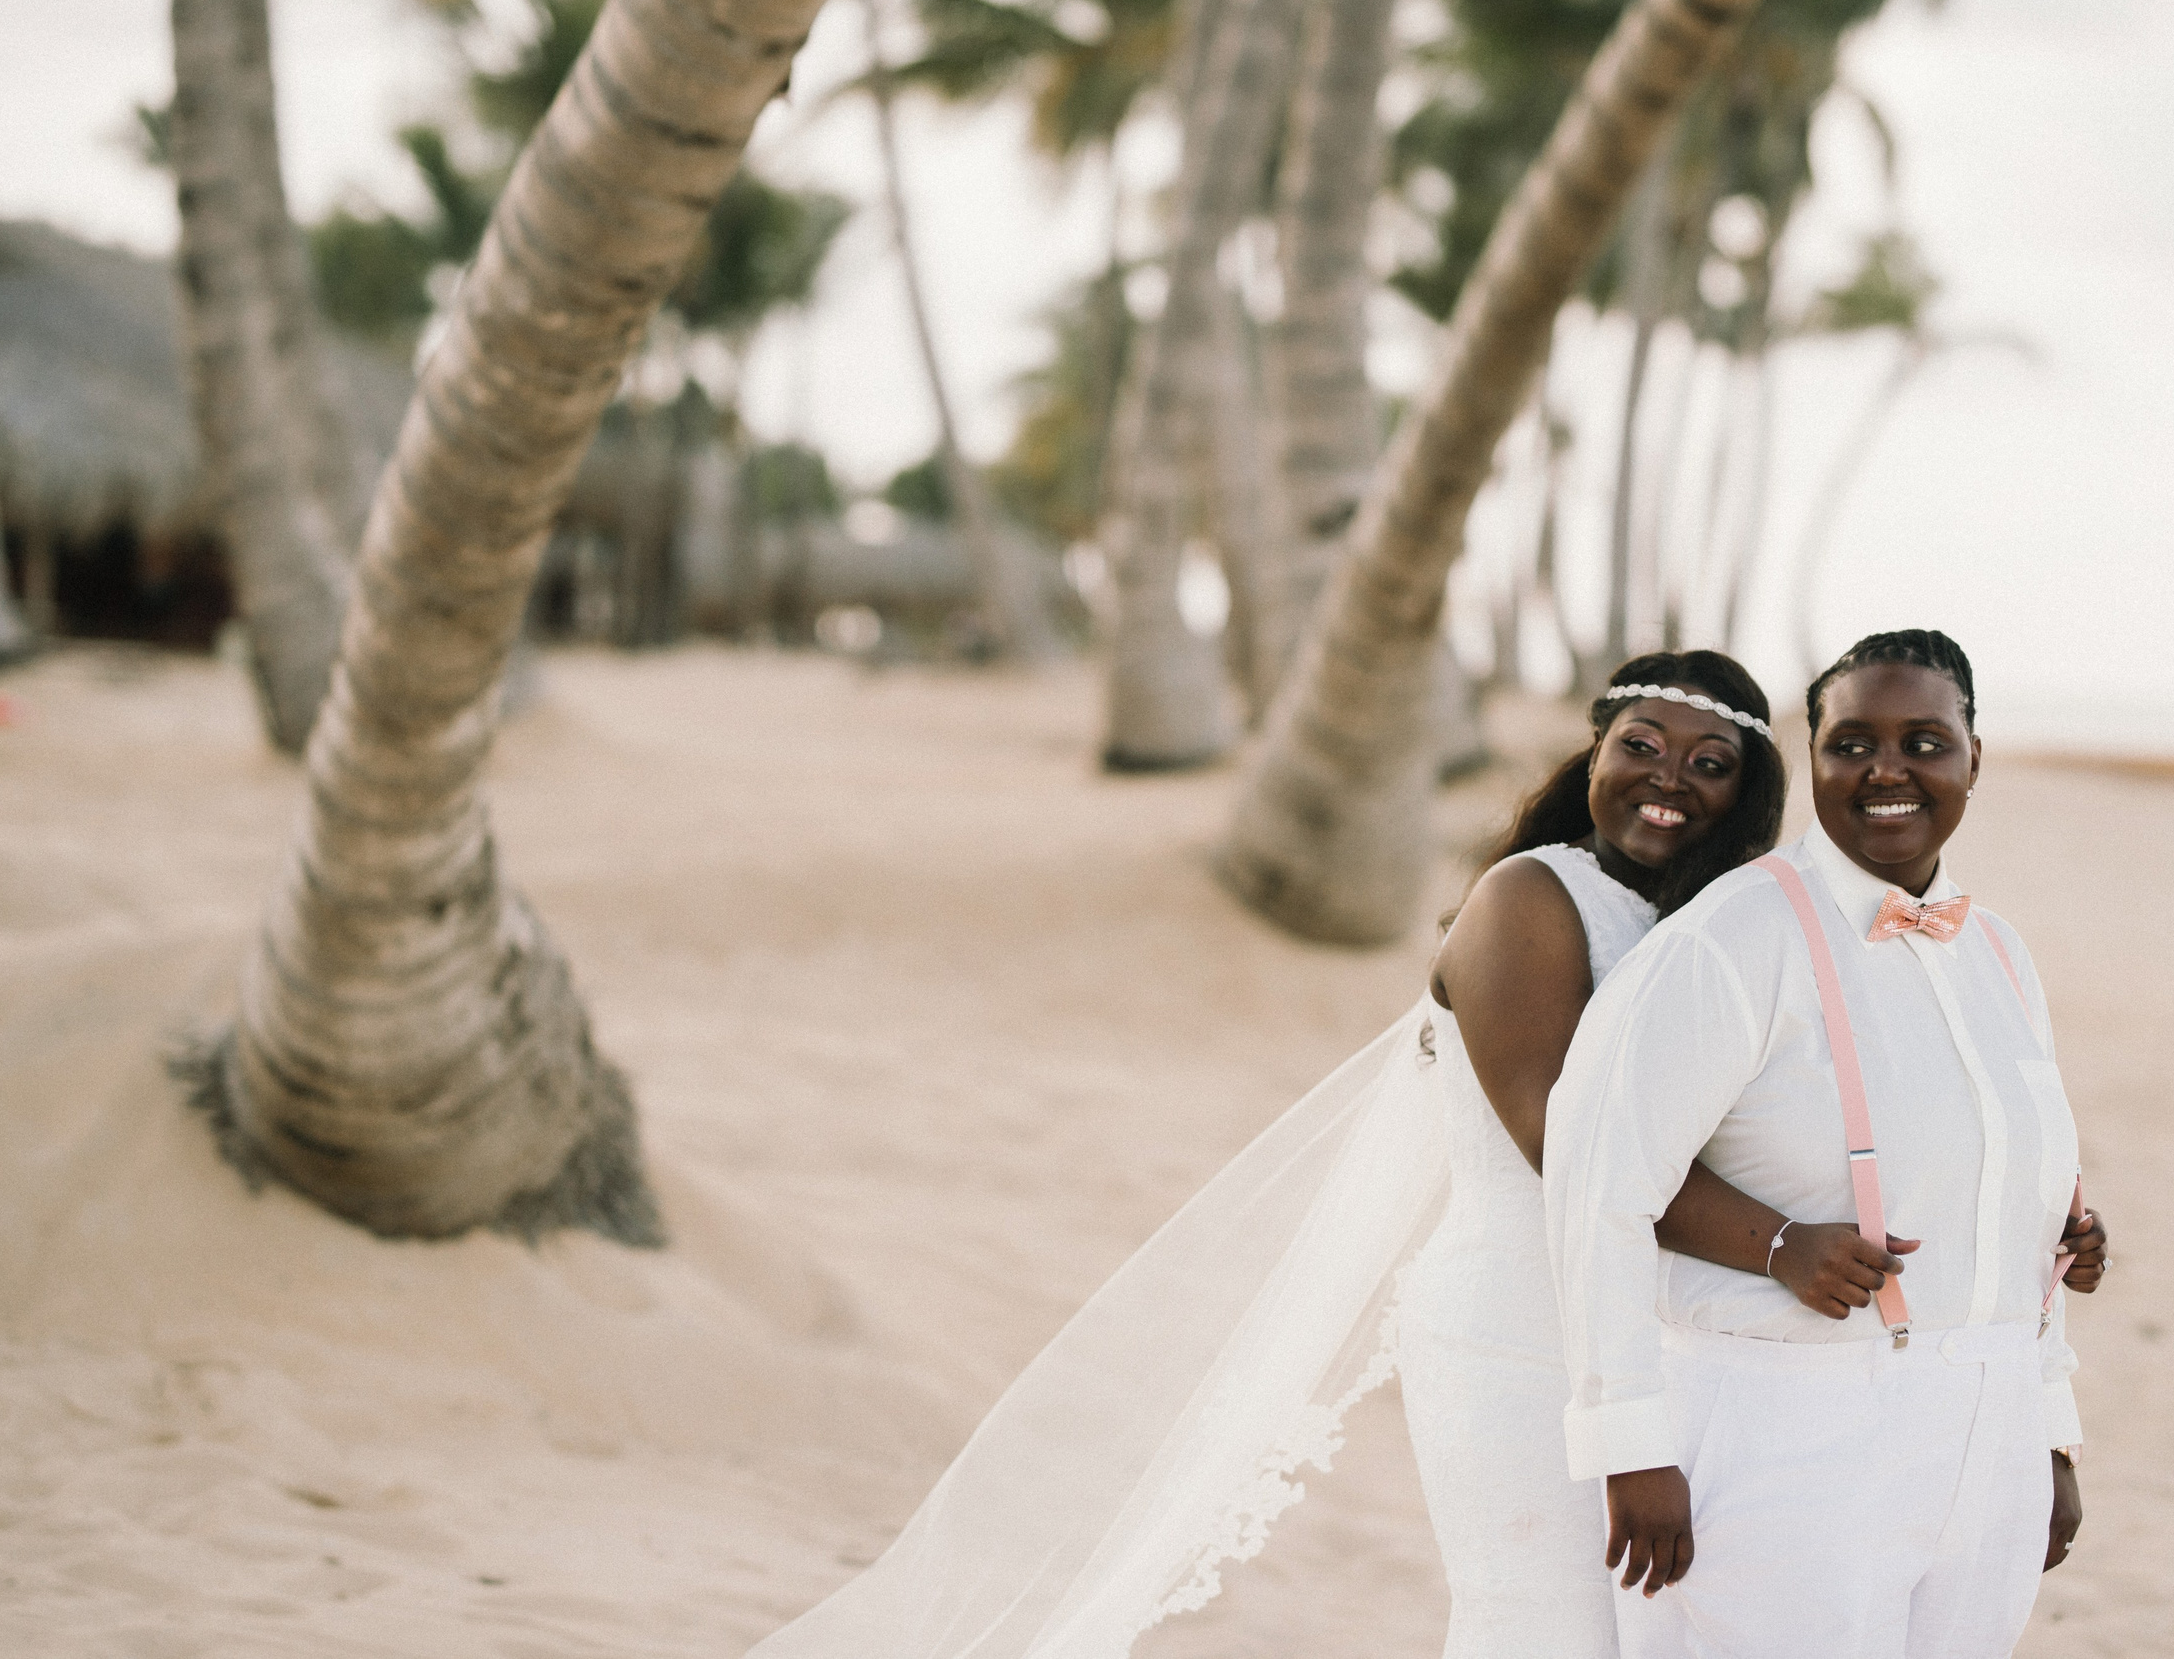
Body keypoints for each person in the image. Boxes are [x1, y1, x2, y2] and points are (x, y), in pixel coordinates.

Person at [748, 641, 2104, 1659]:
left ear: (1752, 788)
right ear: (1589, 753)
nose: (1670, 783)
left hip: (1655, 1328)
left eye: (1710, 764)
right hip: (1524, 1323)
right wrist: (1773, 1244)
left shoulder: (1720, 928)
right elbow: (1558, 1147)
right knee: (1541, 1624)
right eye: (1641, 746)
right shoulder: (1531, 902)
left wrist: (2024, 1213)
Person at [1546, 629, 2101, 1659]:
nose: (1886, 770)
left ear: (1974, 755)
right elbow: (1599, 1186)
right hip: (1782, 1428)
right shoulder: (1729, 939)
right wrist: (1628, 1444)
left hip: (1985, 1434)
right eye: (1852, 743)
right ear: (1814, 760)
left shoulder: (1999, 949)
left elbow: (2031, 1200)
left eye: (1923, 741)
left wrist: (2046, 1430)